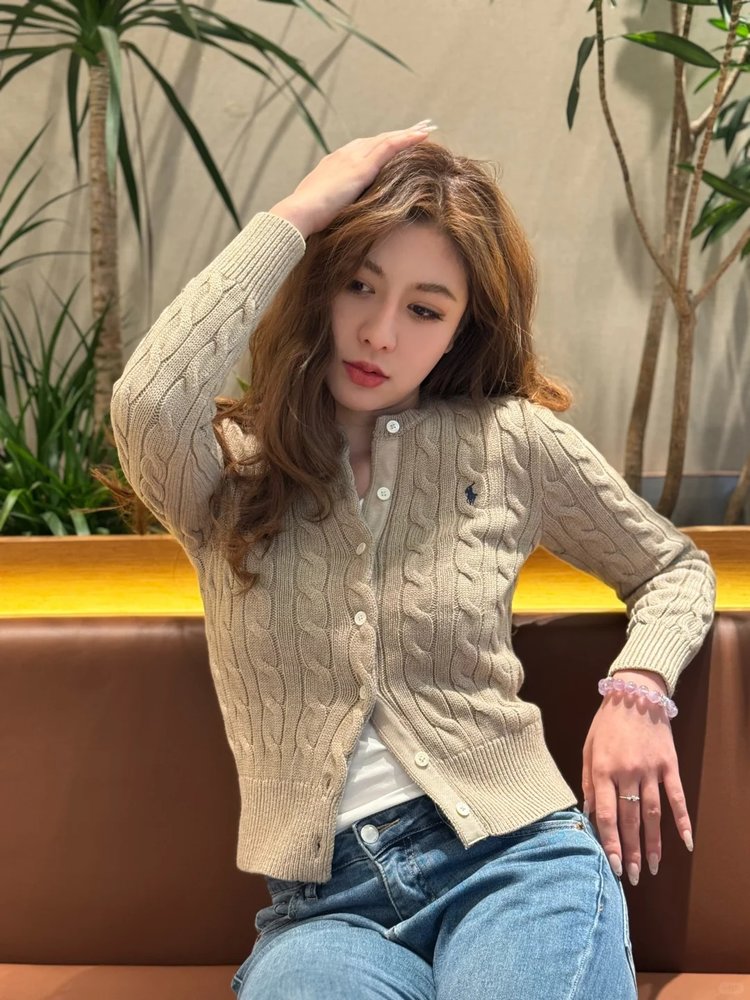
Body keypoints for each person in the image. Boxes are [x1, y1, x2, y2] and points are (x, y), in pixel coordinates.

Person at [109, 121, 717, 1000]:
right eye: (359, 285)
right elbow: (144, 402)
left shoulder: (509, 443)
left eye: (425, 309)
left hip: (515, 863)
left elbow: (673, 569)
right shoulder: (229, 475)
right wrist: (299, 212)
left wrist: (639, 692)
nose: (379, 332)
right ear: (319, 285)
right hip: (325, 912)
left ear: (462, 330)